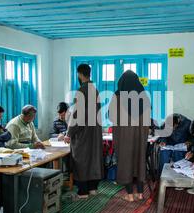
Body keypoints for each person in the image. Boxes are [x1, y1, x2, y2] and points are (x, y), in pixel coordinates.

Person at [108, 70, 151, 202]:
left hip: (124, 138)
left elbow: (111, 116)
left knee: (126, 162)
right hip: (140, 138)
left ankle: (129, 195)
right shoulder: (145, 97)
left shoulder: (117, 96)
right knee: (139, 162)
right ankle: (140, 193)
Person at [64, 64, 104, 199]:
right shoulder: (95, 90)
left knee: (80, 159)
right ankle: (93, 188)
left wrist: (69, 133)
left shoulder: (81, 91)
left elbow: (77, 115)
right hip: (95, 131)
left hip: (83, 133)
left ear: (80, 74)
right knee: (93, 159)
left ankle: (82, 192)